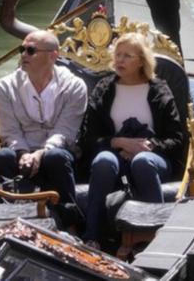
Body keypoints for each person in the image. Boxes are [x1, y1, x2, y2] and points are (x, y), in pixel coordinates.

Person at [79, 33, 186, 249]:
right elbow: (88, 137)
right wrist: (119, 142)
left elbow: (176, 137)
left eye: (127, 56)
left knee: (143, 162)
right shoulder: (104, 89)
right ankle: (92, 237)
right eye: (117, 55)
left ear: (141, 60)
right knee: (103, 161)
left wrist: (150, 146)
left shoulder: (159, 89)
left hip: (153, 157)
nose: (119, 60)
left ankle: (156, 235)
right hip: (115, 154)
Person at [0, 30, 87, 224]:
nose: (24, 55)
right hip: (21, 150)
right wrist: (23, 152)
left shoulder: (75, 86)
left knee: (56, 157)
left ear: (53, 55)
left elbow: (65, 131)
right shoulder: (5, 87)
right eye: (22, 49)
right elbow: (10, 131)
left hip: (58, 151)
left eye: (31, 50)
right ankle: (4, 220)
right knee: (3, 157)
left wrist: (41, 153)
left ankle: (70, 222)